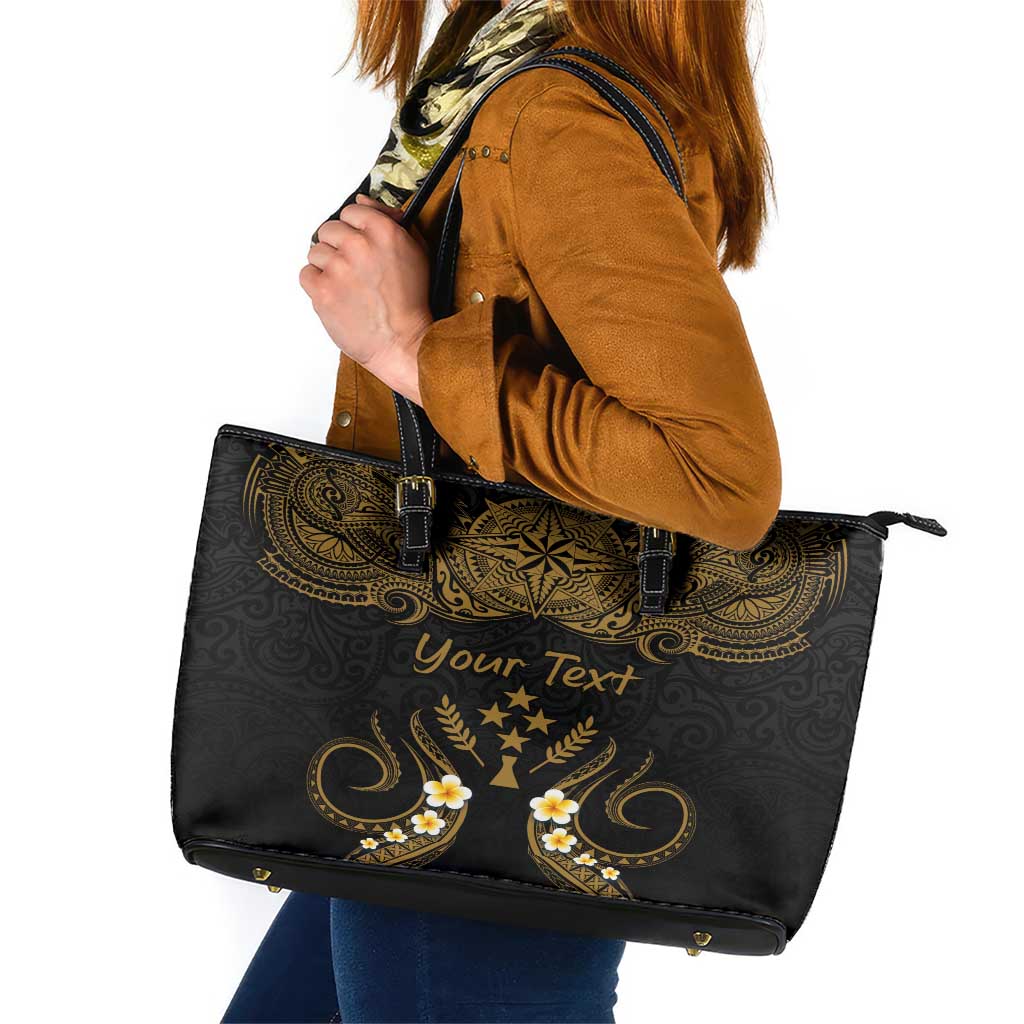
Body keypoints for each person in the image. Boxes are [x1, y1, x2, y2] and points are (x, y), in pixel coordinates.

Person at [225, 0, 780, 1020]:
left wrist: (407, 349)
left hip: (485, 746)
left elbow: (720, 476)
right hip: (442, 722)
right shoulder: (511, 70)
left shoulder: (556, 113)